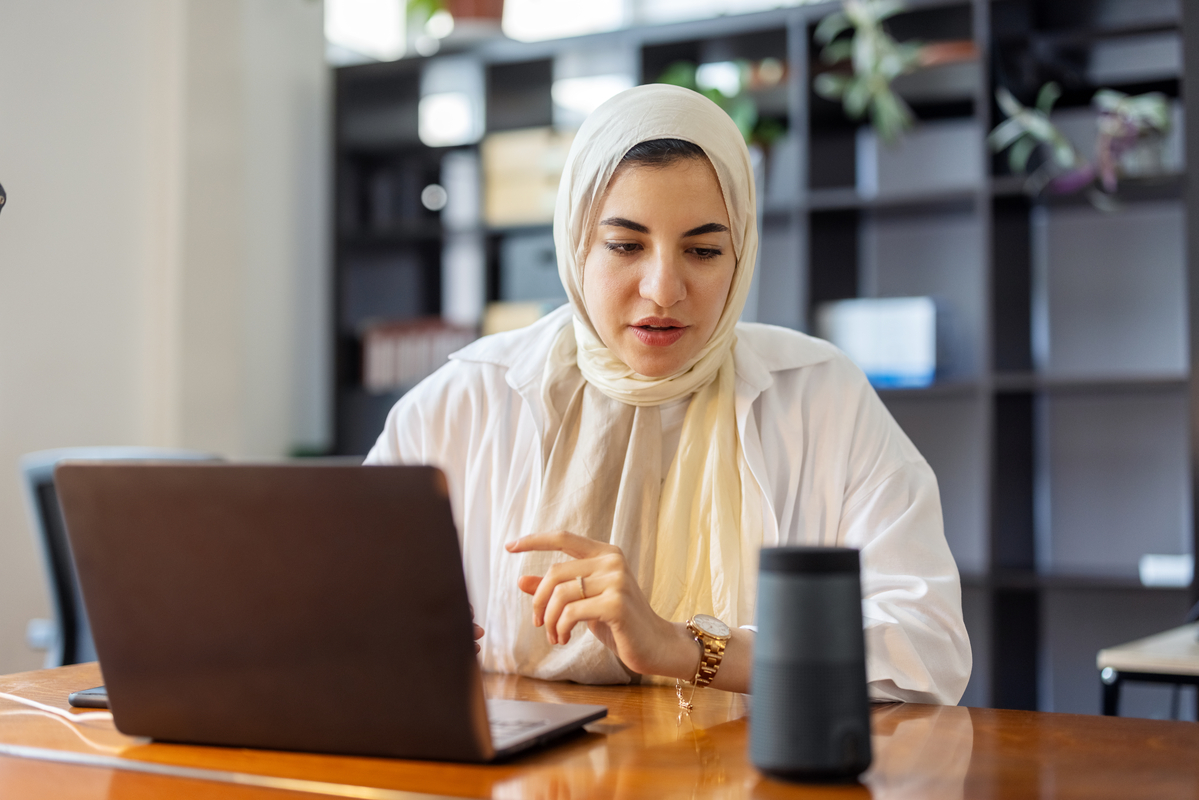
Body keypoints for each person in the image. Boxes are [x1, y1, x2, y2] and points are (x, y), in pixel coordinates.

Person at [366, 84, 971, 705]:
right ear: (576, 244)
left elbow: (930, 648)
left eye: (704, 250)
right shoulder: (460, 402)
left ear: (742, 255)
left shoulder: (821, 395)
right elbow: (339, 609)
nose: (662, 290)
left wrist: (685, 647)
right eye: (626, 245)